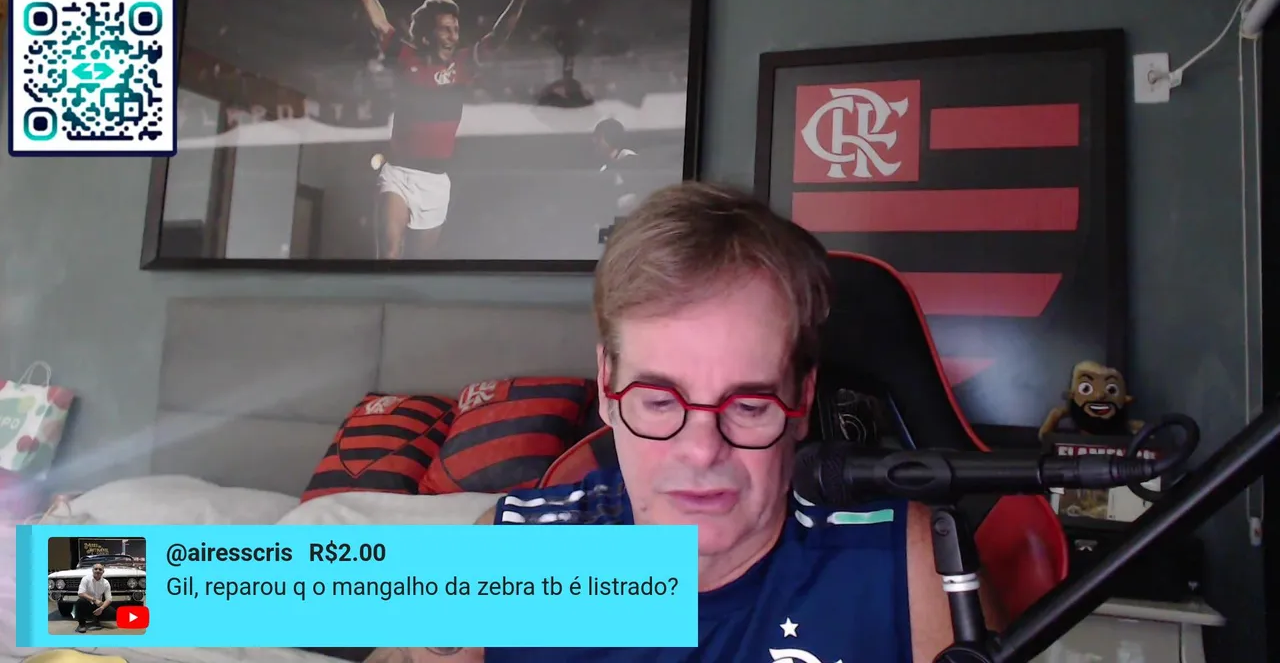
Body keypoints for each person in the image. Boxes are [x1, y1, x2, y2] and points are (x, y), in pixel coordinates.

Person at [362, 182, 1007, 663]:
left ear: (803, 401)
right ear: (609, 388)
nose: (702, 451)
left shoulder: (907, 568)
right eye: (660, 400)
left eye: (748, 406)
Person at [348, 0, 537, 259]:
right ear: (428, 35)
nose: (453, 34)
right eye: (445, 29)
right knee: (390, 252)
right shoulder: (406, 57)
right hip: (398, 173)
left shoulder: (464, 65)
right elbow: (379, 23)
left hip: (435, 183)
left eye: (455, 29)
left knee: (418, 263)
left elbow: (499, 35)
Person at [74, 563, 110, 633]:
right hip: (87, 603)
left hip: (98, 605)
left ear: (103, 571)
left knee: (112, 613)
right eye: (96, 569)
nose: (98, 571)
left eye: (100, 569)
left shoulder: (106, 582)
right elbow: (80, 593)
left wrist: (101, 608)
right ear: (92, 570)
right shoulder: (85, 579)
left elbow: (109, 599)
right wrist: (94, 600)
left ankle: (96, 619)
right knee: (80, 601)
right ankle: (82, 624)